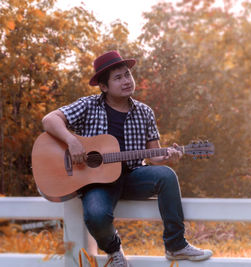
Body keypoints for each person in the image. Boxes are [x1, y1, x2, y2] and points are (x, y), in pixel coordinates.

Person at [41, 50, 213, 267]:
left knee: (166, 176)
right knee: (95, 216)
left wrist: (170, 156)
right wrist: (71, 141)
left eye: (127, 75)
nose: (126, 81)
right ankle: (114, 251)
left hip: (132, 175)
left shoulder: (145, 112)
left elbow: (155, 154)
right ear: (103, 86)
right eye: (118, 77)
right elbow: (49, 120)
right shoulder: (88, 105)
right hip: (97, 182)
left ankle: (176, 245)